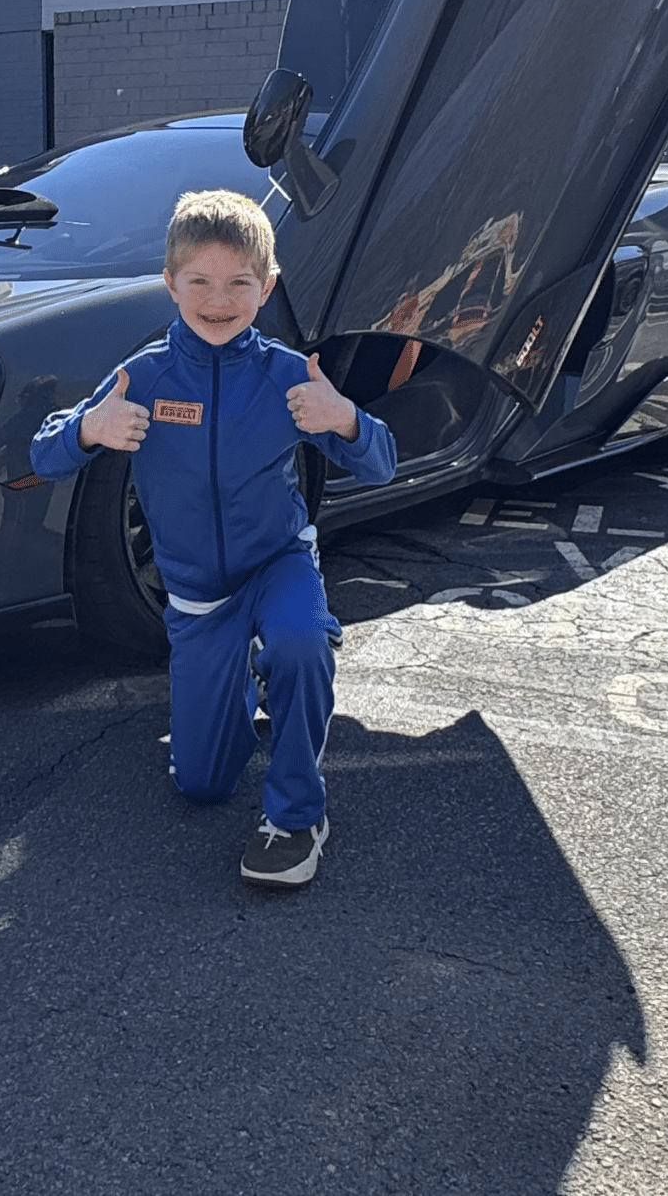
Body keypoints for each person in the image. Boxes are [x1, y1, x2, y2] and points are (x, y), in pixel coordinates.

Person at [31, 189, 396, 887]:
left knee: (298, 642)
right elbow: (45, 455)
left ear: (269, 287)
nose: (219, 299)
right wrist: (88, 429)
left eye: (239, 283)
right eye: (199, 281)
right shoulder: (144, 377)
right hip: (199, 598)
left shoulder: (290, 376)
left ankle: (296, 818)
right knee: (200, 786)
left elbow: (381, 463)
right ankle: (243, 681)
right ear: (170, 284)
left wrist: (343, 417)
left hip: (277, 564)